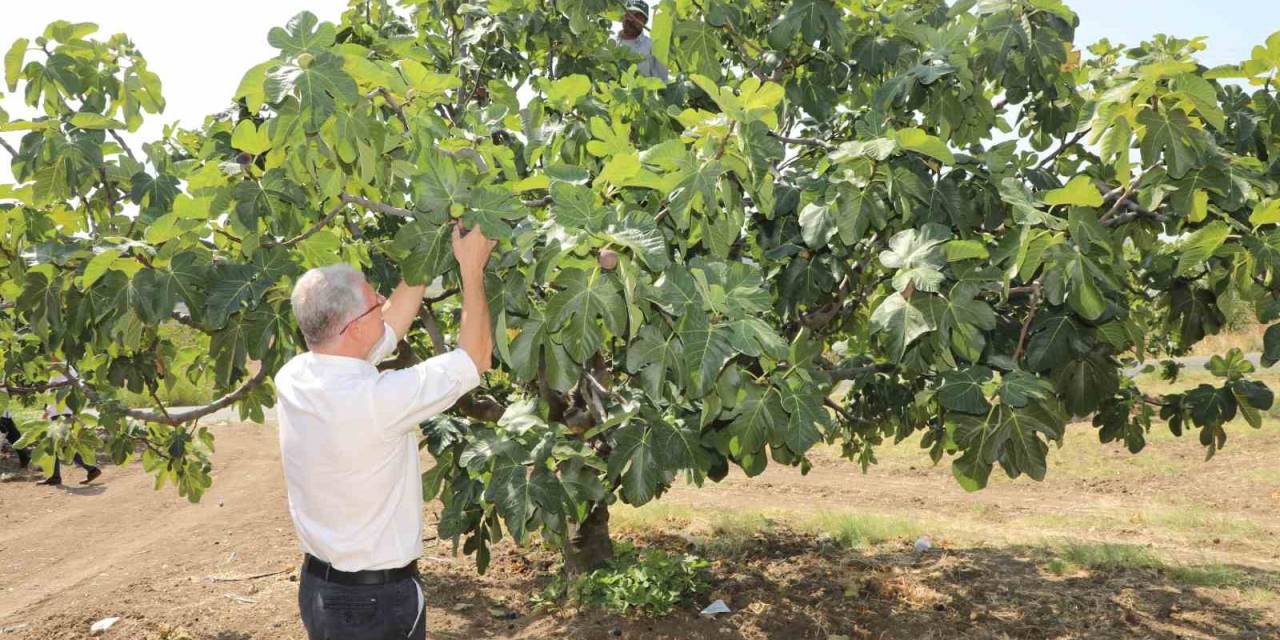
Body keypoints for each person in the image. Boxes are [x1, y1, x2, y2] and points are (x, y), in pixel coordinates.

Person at [275, 222, 495, 640]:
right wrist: (472, 269)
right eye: (373, 301)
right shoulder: (376, 401)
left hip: (320, 589)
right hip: (375, 604)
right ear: (353, 328)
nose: (382, 300)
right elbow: (475, 357)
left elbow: (386, 326)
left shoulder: (296, 375)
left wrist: (430, 252)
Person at [39, 364, 101, 486]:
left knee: (63, 446)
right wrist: (48, 410)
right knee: (57, 446)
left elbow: (61, 394)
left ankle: (91, 469)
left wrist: (49, 410)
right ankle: (55, 476)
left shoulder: (62, 367)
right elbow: (55, 393)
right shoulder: (63, 368)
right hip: (61, 413)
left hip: (62, 414)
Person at [615, 0, 669, 81]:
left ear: (645, 21)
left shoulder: (653, 46)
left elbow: (663, 80)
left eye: (637, 16)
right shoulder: (610, 43)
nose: (631, 19)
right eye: (628, 14)